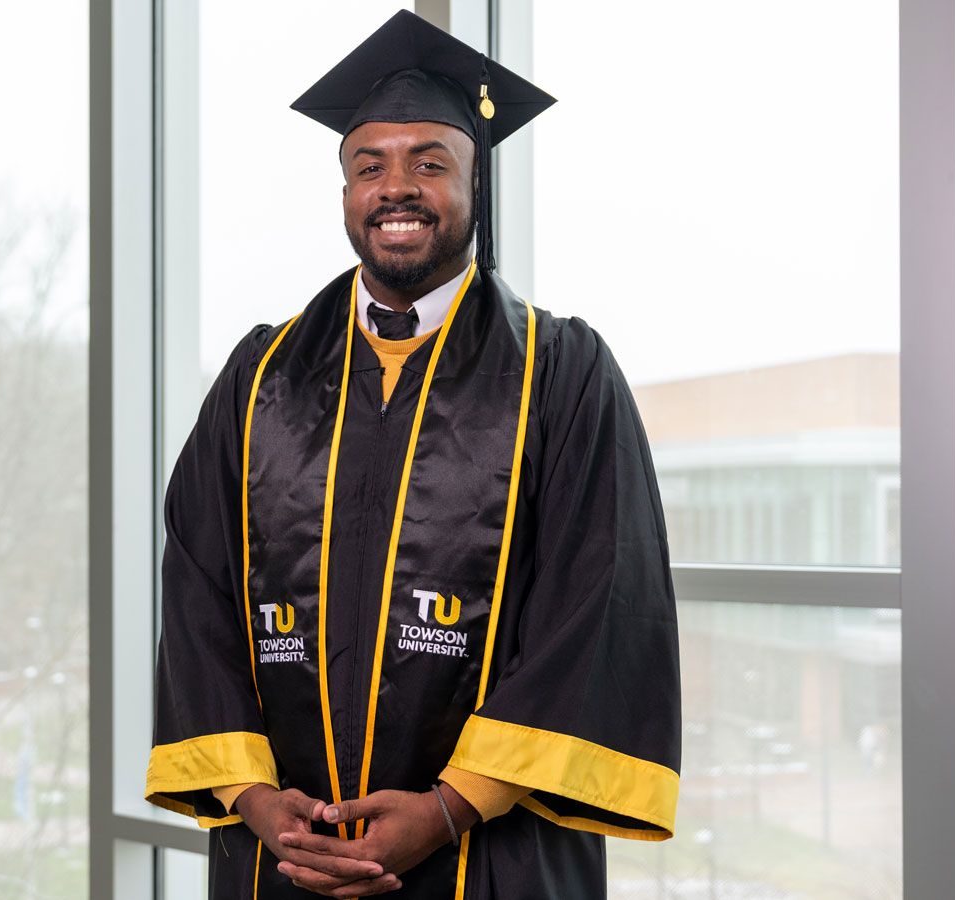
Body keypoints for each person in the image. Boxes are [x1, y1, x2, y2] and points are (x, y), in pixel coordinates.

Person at [145, 11, 681, 897]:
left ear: (476, 182)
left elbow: (601, 600)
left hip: (491, 862)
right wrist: (255, 801)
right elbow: (197, 586)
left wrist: (449, 809)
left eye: (429, 162)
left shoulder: (563, 372)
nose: (397, 187)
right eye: (370, 166)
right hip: (285, 857)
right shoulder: (261, 376)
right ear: (346, 191)